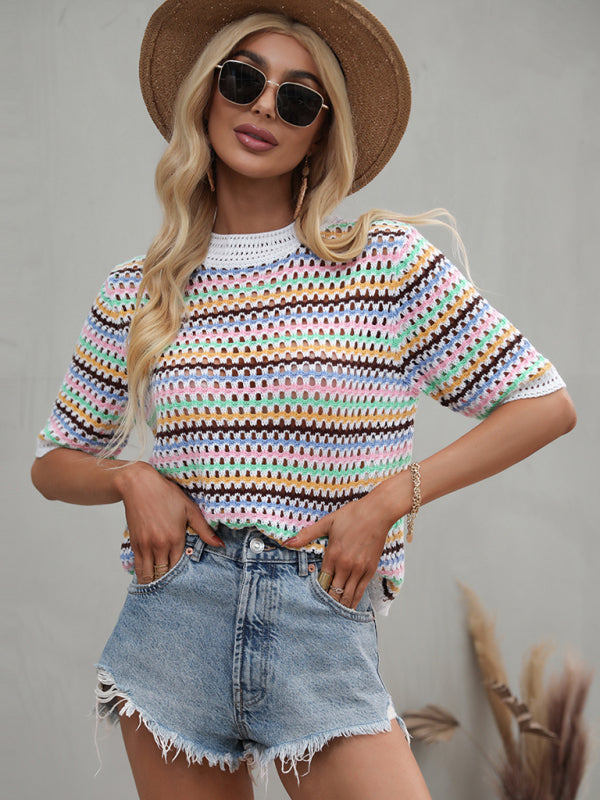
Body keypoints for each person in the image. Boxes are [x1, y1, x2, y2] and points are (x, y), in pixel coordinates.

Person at [30, 0, 576, 798]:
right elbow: (53, 463)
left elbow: (544, 402)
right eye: (242, 80)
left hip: (321, 618)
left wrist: (389, 500)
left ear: (321, 132)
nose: (263, 107)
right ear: (206, 95)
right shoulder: (139, 290)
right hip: (175, 622)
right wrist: (131, 478)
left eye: (296, 99)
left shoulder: (384, 266)